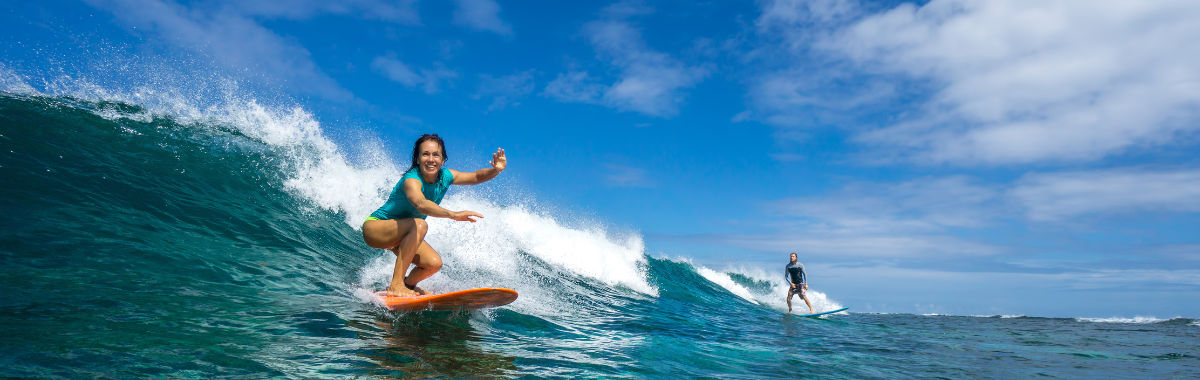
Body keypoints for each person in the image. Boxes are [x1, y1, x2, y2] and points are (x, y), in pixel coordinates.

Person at [361, 133, 506, 297]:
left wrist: (496, 170)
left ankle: (408, 285)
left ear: (443, 159)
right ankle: (396, 285)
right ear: (417, 159)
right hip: (376, 228)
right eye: (425, 154)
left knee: (433, 264)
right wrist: (452, 214)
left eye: (436, 155)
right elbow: (420, 204)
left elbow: (475, 177)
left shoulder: (445, 177)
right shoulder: (412, 180)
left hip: (401, 234)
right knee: (420, 224)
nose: (431, 159)